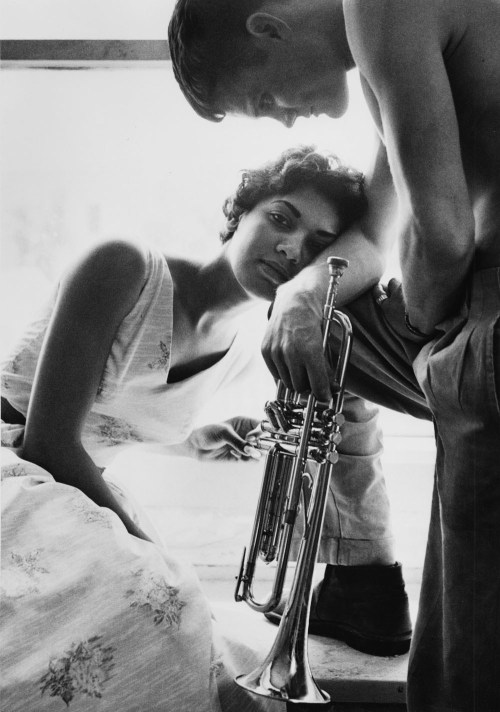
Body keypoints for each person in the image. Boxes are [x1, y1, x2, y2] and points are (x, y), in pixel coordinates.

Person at [168, 1, 500, 711]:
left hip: (490, 327)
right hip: (480, 319)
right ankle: (362, 573)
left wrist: (429, 322)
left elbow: (440, 238)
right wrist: (302, 291)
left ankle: (361, 574)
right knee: (318, 329)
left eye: (265, 100)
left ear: (269, 26)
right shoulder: (396, 46)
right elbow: (380, 232)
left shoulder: (381, 6)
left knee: (464, 683)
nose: (285, 119)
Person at [1, 146, 395, 711]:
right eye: (281, 219)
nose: (290, 248)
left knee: (198, 641)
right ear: (240, 215)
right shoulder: (123, 265)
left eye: (316, 245)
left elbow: (107, 415)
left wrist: (193, 437)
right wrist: (143, 541)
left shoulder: (243, 345)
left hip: (61, 490)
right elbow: (47, 440)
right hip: (18, 473)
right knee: (144, 602)